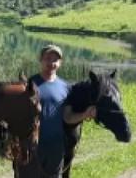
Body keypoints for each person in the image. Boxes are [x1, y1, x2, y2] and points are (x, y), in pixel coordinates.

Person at [14, 44, 96, 178]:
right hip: (31, 148)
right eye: (47, 58)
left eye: (55, 59)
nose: (51, 63)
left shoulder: (66, 88)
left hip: (56, 149)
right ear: (41, 60)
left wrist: (85, 114)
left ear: (60, 63)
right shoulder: (28, 85)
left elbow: (67, 117)